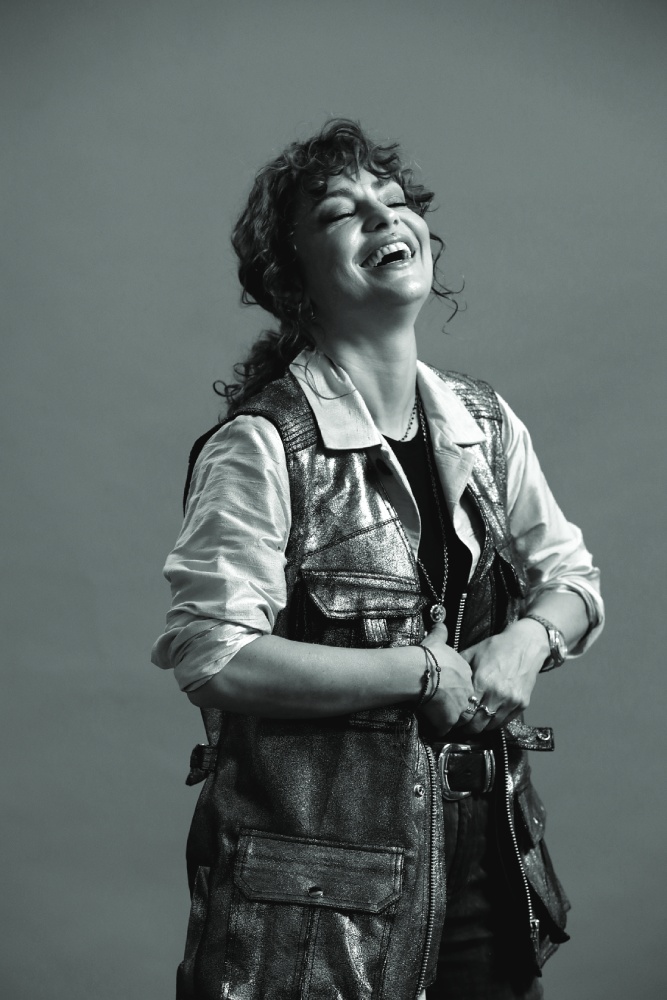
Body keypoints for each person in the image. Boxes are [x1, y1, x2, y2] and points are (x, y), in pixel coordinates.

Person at [152, 119, 603, 1000]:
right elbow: (213, 653)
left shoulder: (482, 423)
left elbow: (571, 580)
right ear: (292, 277)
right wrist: (418, 670)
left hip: (488, 865)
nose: (382, 217)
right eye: (340, 212)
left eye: (393, 202)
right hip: (320, 904)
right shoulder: (263, 446)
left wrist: (528, 641)